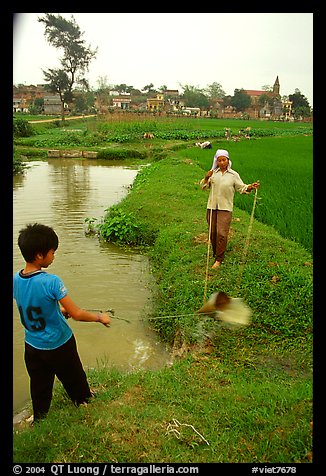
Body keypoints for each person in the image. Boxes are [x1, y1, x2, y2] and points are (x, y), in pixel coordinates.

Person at [13, 223, 111, 422]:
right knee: (74, 376)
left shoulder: (16, 279)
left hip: (32, 346)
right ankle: (84, 400)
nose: (54, 256)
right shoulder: (52, 282)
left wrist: (58, 311)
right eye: (52, 252)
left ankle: (40, 418)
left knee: (39, 384)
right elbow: (77, 314)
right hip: (59, 344)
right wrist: (100, 317)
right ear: (40, 255)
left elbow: (34, 303)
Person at [200, 149, 260, 269]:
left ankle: (219, 259)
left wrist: (250, 187)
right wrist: (206, 178)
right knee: (212, 232)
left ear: (228, 160)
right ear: (216, 161)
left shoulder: (233, 175)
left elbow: (241, 188)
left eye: (224, 160)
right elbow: (203, 187)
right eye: (219, 160)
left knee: (221, 233)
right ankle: (215, 252)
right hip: (211, 207)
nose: (222, 162)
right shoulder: (213, 174)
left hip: (225, 208)